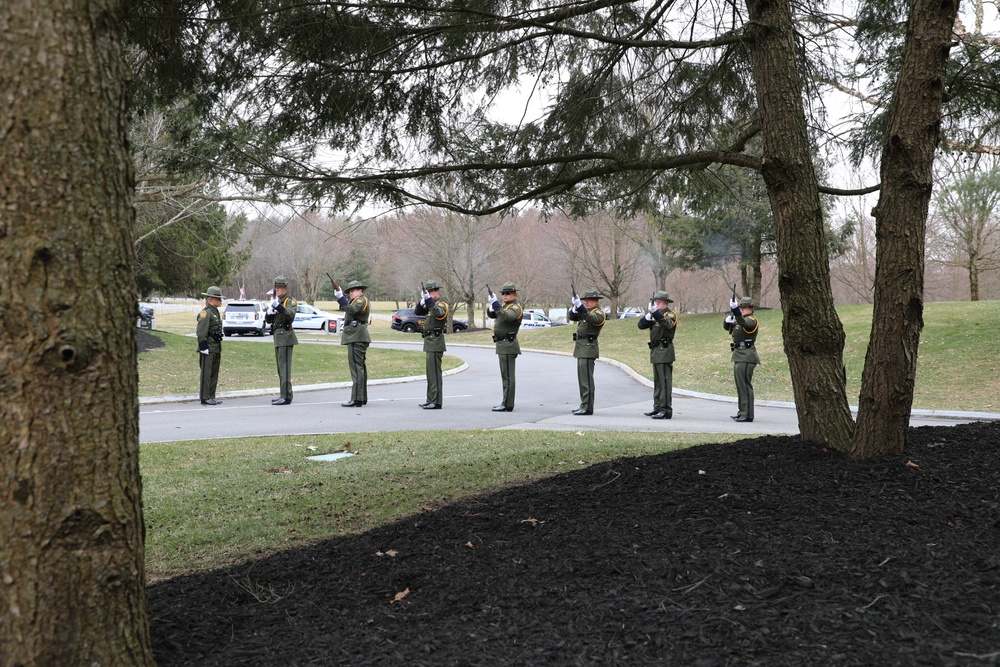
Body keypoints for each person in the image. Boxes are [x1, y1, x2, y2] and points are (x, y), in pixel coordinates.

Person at [637, 290, 678, 419]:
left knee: (664, 382)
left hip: (665, 351)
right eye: (655, 302)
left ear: (666, 303)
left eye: (658, 302)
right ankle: (657, 407)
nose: (656, 304)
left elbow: (668, 324)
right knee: (658, 382)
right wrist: (648, 316)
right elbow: (640, 325)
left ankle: (666, 409)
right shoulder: (655, 315)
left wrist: (655, 313)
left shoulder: (671, 315)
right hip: (655, 351)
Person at [568, 288, 606, 415]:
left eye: (588, 300)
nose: (586, 303)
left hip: (588, 348)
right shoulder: (587, 312)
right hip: (581, 348)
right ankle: (584, 404)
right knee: (582, 379)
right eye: (585, 301)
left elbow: (591, 319)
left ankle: (588, 407)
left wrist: (580, 306)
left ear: (596, 301)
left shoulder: (599, 313)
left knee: (587, 380)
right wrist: (575, 307)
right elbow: (572, 316)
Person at [486, 281, 523, 412]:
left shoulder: (515, 308)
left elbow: (507, 317)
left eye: (508, 293)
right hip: (503, 345)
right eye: (503, 293)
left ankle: (507, 403)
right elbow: (492, 314)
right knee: (505, 376)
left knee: (508, 376)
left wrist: (496, 304)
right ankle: (506, 402)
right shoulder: (506, 307)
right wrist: (492, 305)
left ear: (514, 295)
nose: (505, 295)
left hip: (508, 344)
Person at [724, 295, 760, 422]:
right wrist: (728, 320)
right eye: (741, 308)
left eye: (744, 308)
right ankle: (742, 411)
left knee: (745, 385)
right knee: (740, 386)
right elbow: (729, 328)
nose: (743, 310)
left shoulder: (752, 320)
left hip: (747, 355)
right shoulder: (741, 319)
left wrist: (735, 312)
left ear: (750, 308)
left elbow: (744, 324)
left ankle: (748, 414)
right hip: (739, 355)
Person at [413, 281, 449, 409]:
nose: (431, 293)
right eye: (428, 291)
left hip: (436, 341)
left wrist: (429, 301)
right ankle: (430, 399)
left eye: (432, 291)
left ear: (437, 292)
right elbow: (417, 312)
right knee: (430, 373)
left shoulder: (442, 305)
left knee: (435, 374)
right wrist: (422, 301)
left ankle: (436, 401)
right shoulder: (430, 305)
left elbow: (439, 313)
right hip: (429, 342)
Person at [336, 280, 371, 407]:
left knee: (357, 368)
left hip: (357, 337)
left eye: (354, 290)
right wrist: (341, 299)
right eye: (350, 291)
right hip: (356, 336)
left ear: (360, 291)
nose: (351, 293)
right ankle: (361, 397)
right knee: (359, 368)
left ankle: (357, 398)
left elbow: (351, 310)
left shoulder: (361, 301)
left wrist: (340, 297)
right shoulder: (355, 301)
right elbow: (348, 308)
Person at [265, 275, 298, 405]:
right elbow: (269, 320)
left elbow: (290, 315)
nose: (277, 290)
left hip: (286, 337)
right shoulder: (277, 301)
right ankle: (283, 394)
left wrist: (278, 306)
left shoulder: (289, 301)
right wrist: (269, 312)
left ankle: (286, 396)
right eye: (276, 288)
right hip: (278, 337)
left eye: (279, 287)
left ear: (285, 288)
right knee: (280, 368)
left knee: (284, 368)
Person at [196, 286, 225, 406]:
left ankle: (211, 395)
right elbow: (201, 332)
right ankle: (205, 397)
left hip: (215, 347)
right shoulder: (205, 313)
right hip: (208, 347)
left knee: (214, 373)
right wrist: (203, 347)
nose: (220, 301)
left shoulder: (215, 312)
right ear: (211, 299)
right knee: (206, 374)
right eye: (218, 299)